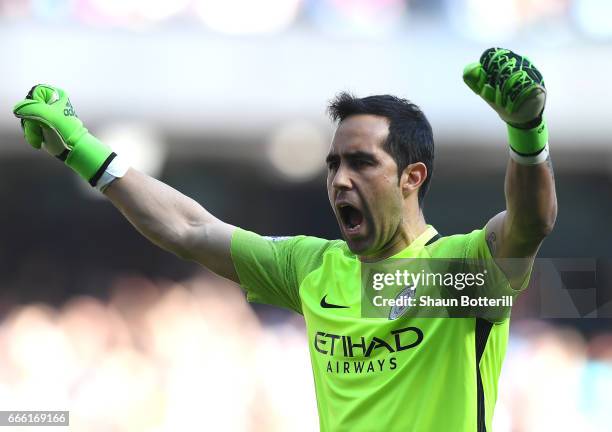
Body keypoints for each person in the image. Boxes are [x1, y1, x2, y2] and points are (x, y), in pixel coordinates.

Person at [12, 47, 557, 431]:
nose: (340, 179)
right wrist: (80, 149)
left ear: (410, 177)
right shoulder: (313, 269)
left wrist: (527, 136)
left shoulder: (457, 275)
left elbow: (529, 223)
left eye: (362, 163)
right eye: (334, 164)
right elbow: (191, 229)